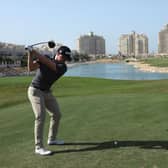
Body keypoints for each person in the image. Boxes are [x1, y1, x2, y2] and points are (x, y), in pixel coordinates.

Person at [27, 45, 72, 156]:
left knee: (57, 114)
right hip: (35, 91)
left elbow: (49, 63)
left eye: (67, 59)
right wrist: (30, 53)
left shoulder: (62, 67)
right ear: (58, 53)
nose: (65, 60)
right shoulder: (46, 59)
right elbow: (30, 68)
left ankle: (52, 139)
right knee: (40, 116)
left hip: (47, 92)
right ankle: (38, 147)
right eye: (64, 57)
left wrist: (34, 51)